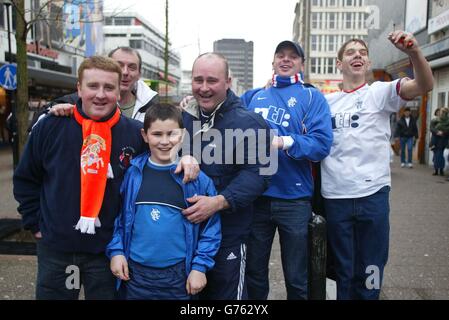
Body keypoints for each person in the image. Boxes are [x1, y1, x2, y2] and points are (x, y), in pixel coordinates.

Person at [13, 56, 147, 299]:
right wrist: (35, 223)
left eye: (108, 88)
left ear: (119, 92)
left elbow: (159, 166)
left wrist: (187, 160)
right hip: (57, 250)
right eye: (93, 86)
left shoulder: (135, 134)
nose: (100, 94)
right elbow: (27, 178)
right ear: (79, 89)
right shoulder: (50, 126)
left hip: (108, 251)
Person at [321, 31, 434, 300]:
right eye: (350, 52)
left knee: (370, 267)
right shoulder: (325, 102)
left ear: (368, 63)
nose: (357, 55)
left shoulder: (380, 92)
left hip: (373, 195)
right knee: (343, 270)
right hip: (336, 196)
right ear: (339, 64)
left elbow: (424, 85)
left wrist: (414, 52)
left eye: (362, 52)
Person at [241, 41, 333, 300]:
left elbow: (322, 144)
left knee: (297, 277)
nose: (285, 59)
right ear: (272, 61)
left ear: (301, 64)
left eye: (293, 56)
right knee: (254, 273)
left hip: (294, 200)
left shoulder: (312, 96)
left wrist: (284, 141)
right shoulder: (253, 96)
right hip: (256, 198)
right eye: (280, 55)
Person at [106, 103, 221, 300]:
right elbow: (118, 218)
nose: (165, 141)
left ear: (183, 135)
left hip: (178, 276)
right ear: (145, 135)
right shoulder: (132, 174)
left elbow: (211, 228)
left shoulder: (197, 179)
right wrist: (116, 251)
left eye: (172, 134)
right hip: (135, 274)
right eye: (157, 134)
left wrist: (200, 267)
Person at [181, 52, 272, 300]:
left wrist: (217, 203)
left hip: (230, 236)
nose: (204, 88)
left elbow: (261, 176)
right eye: (198, 80)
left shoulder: (253, 123)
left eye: (212, 80)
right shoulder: (184, 118)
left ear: (228, 82)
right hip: (186, 236)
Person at [31, 46, 158, 126]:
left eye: (132, 67)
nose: (125, 72)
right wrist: (54, 113)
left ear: (139, 74)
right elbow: (37, 130)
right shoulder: (74, 102)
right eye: (119, 65)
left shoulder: (153, 109)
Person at [429, 108, 448, 176]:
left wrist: (443, 132)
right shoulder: (434, 120)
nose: (441, 114)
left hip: (444, 141)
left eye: (443, 113)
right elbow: (431, 128)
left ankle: (441, 170)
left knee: (442, 156)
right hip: (435, 140)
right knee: (436, 156)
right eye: (440, 112)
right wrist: (437, 132)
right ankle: (436, 169)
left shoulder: (447, 121)